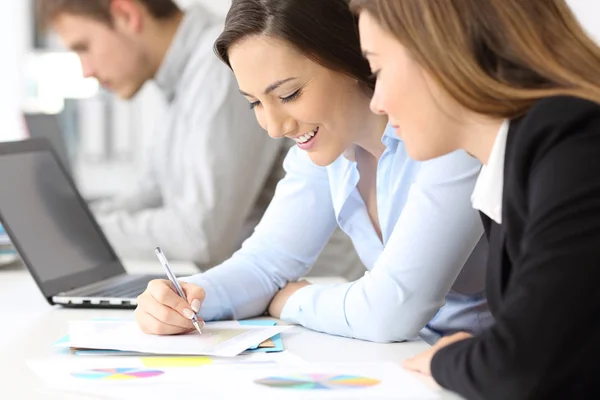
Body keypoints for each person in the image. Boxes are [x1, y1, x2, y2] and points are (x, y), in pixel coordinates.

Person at [135, 0, 491, 344]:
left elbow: (389, 311)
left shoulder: (450, 136)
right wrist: (187, 297)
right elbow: (266, 263)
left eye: (289, 94)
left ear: (350, 57)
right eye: (255, 103)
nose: (274, 127)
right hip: (410, 362)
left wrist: (294, 300)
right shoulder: (328, 145)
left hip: (488, 369)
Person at [351, 0, 600, 398]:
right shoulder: (518, 163)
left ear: (443, 50)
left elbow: (521, 365)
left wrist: (445, 359)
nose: (376, 102)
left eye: (377, 70)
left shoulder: (574, 144)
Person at [37, 0, 285, 269]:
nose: (86, 71)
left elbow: (200, 236)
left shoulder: (221, 61)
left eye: (83, 48)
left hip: (297, 293)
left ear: (126, 15)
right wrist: (72, 219)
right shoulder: (179, 78)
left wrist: (74, 232)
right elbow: (152, 194)